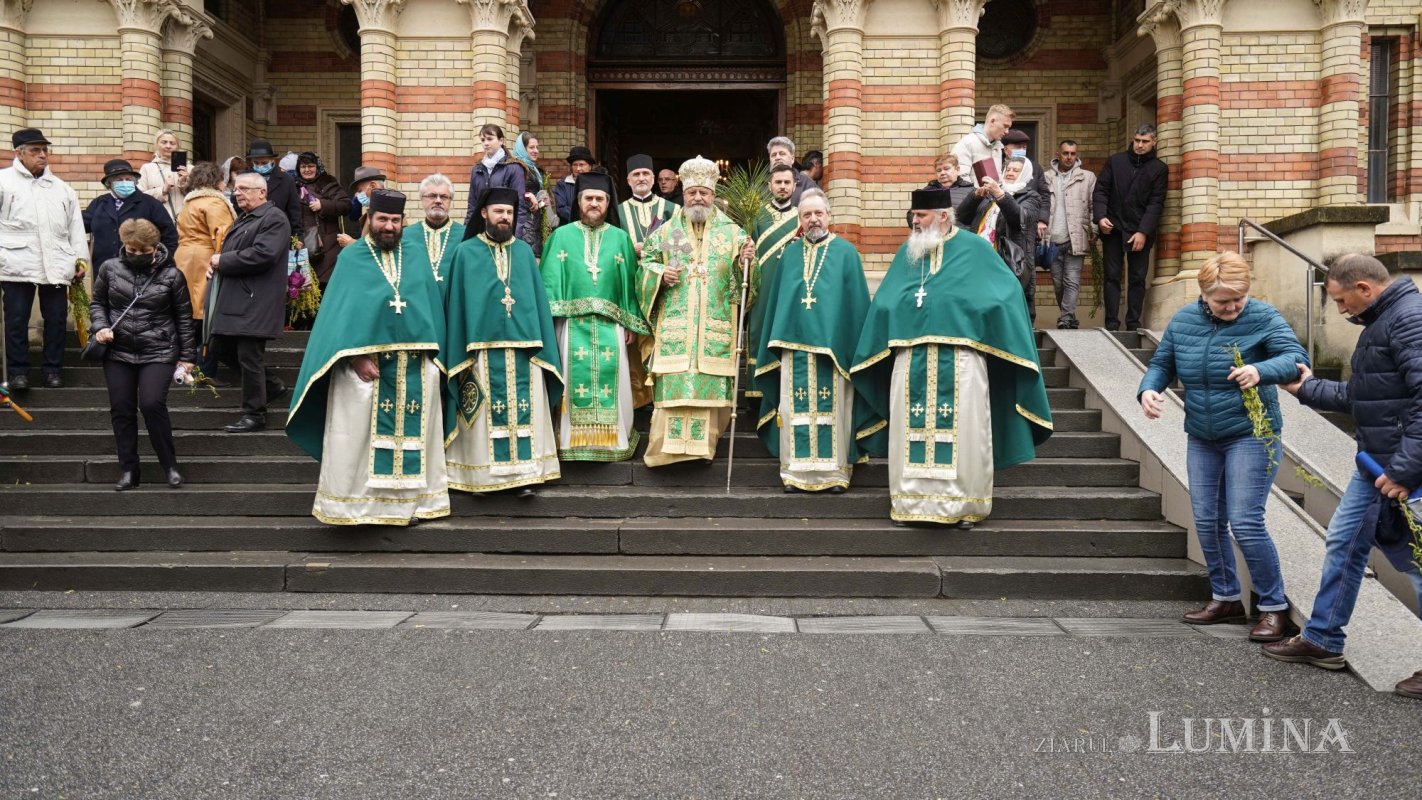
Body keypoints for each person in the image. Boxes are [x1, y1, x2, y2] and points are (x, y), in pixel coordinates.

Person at [1266, 253, 1422, 700]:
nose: (1340, 310)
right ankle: (1323, 639)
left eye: (1340, 300)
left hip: (1400, 468)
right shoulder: (1385, 321)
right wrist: (1304, 388)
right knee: (1344, 542)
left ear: (1364, 289)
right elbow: (1365, 397)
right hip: (1377, 465)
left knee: (1418, 566)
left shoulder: (1407, 320)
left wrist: (1406, 469)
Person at [852, 189, 1052, 528]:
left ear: (943, 216)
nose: (914, 221)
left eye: (921, 215)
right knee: (909, 429)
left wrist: (974, 318)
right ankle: (911, 503)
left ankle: (962, 505)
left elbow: (1006, 295)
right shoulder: (908, 253)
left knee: (965, 431)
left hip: (962, 362)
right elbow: (887, 302)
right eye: (913, 215)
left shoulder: (975, 249)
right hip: (911, 358)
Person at [1138, 252, 1308, 641]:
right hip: (1202, 435)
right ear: (1204, 296)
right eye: (1222, 301)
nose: (1232, 307)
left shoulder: (1263, 317)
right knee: (1207, 520)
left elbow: (1296, 359)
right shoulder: (1183, 320)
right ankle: (1226, 596)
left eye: (1238, 299)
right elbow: (1162, 362)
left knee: (1246, 522)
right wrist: (1148, 389)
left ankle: (1273, 607)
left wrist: (1259, 369)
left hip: (1252, 433)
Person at [286, 190, 451, 526]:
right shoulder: (353, 257)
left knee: (415, 438)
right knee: (360, 440)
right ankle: (359, 506)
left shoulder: (417, 256)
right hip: (365, 368)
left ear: (403, 222)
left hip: (414, 367)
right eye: (382, 219)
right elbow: (339, 319)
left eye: (395, 220)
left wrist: (432, 354)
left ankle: (411, 505)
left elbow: (430, 310)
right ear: (369, 220)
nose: (389, 226)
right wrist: (354, 358)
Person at [637, 155, 755, 467]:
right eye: (692, 193)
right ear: (683, 195)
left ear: (713, 194)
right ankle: (667, 453)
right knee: (675, 391)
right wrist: (660, 275)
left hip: (714, 328)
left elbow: (743, 287)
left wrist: (744, 262)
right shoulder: (665, 233)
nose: (698, 197)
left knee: (706, 393)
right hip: (676, 327)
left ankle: (702, 451)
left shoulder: (733, 233)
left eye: (704, 192)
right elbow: (645, 265)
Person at [444, 186, 563, 496]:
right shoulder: (465, 252)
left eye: (509, 213)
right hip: (479, 352)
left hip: (524, 351)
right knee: (482, 415)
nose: (504, 218)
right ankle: (480, 478)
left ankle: (525, 475)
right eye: (498, 212)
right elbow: (456, 307)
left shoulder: (524, 252)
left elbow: (536, 303)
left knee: (526, 411)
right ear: (484, 213)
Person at [753, 189, 870, 493]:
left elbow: (855, 306)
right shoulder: (788, 255)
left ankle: (835, 474)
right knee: (794, 409)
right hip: (794, 348)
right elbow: (778, 302)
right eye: (807, 214)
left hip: (834, 351)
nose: (813, 219)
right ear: (800, 220)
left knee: (835, 409)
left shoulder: (846, 253)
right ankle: (795, 473)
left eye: (819, 213)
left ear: (829, 216)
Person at [540, 171, 649, 461]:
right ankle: (569, 442)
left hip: (611, 326)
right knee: (569, 383)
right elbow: (549, 281)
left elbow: (630, 283)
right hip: (571, 324)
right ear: (579, 202)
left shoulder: (620, 238)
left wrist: (631, 323)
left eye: (599, 199)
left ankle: (614, 441)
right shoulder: (561, 236)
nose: (594, 204)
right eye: (589, 198)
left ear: (608, 202)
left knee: (615, 382)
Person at [88, 218, 195, 491]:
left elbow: (184, 318)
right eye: (130, 249)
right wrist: (100, 327)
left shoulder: (172, 275)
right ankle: (128, 470)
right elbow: (98, 302)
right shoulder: (109, 268)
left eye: (142, 251)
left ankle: (169, 466)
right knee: (121, 409)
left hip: (159, 349)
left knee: (151, 404)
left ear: (154, 247)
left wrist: (188, 357)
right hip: (118, 350)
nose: (136, 255)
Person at [0, 128, 88, 390]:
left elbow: (76, 227)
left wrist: (80, 260)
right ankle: (18, 372)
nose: (42, 155)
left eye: (45, 150)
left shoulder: (62, 188)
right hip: (15, 263)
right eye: (35, 150)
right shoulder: (3, 181)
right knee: (16, 320)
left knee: (57, 319)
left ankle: (53, 370)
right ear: (19, 153)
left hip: (57, 263)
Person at [206, 171, 291, 433]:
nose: (237, 192)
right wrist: (217, 266)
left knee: (248, 355)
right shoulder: (245, 219)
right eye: (236, 188)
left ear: (262, 192)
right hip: (237, 298)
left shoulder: (273, 218)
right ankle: (272, 386)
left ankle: (255, 414)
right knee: (222, 348)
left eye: (244, 188)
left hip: (256, 299)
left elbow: (263, 254)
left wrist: (223, 260)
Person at [1092, 123, 1168, 331]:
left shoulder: (1159, 169)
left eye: (1145, 142)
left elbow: (1156, 203)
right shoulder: (1115, 162)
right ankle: (1111, 324)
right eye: (1137, 141)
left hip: (1140, 231)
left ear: (1154, 142)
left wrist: (1143, 232)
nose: (1140, 145)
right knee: (1112, 276)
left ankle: (1133, 324)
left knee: (1137, 278)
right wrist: (1100, 218)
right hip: (1113, 229)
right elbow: (1101, 191)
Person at [173, 161, 234, 377]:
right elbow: (223, 236)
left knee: (190, 312)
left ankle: (186, 363)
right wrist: (225, 259)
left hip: (184, 257)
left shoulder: (190, 203)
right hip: (205, 258)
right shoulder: (214, 203)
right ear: (217, 181)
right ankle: (204, 369)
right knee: (206, 315)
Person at [744, 163, 800, 398]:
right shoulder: (756, 216)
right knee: (759, 331)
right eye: (778, 182)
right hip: (763, 287)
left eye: (787, 182)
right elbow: (747, 258)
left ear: (795, 185)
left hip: (792, 287)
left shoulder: (802, 216)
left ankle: (786, 389)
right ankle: (758, 391)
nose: (783, 186)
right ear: (770, 185)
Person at [957, 158, 1037, 310]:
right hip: (980, 257)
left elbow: (1019, 218)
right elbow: (961, 216)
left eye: (1016, 170)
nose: (1010, 173)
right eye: (1008, 169)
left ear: (1025, 173)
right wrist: (975, 196)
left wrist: (1000, 194)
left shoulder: (1031, 197)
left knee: (1007, 304)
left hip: (1007, 260)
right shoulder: (990, 194)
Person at [82, 159, 179, 281]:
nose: (124, 183)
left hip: (142, 273)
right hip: (105, 273)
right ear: (109, 183)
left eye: (128, 179)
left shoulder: (150, 203)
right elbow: (78, 225)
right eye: (119, 180)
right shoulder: (99, 203)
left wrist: (159, 261)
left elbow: (170, 236)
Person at [1041, 139, 1096, 329]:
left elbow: (1092, 207)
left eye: (1073, 154)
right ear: (1058, 154)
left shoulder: (1087, 177)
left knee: (1071, 281)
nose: (1069, 157)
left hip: (1076, 238)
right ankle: (1069, 317)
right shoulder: (1046, 177)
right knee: (1058, 284)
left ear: (1077, 155)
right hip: (1052, 240)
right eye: (1066, 153)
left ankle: (1065, 318)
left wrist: (1093, 229)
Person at [294, 151, 351, 287]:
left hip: (327, 246)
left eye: (311, 166)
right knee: (302, 290)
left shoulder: (329, 183)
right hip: (301, 245)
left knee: (325, 286)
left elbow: (346, 205)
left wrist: (323, 205)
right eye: (303, 167)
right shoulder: (293, 186)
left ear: (317, 167)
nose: (307, 170)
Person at [461, 124, 527, 238]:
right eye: (483, 140)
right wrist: (466, 234)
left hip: (504, 229)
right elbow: (472, 206)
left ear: (501, 141)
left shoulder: (514, 168)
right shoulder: (477, 169)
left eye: (490, 139)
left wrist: (516, 236)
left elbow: (520, 206)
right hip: (481, 231)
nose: (486, 143)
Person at [403, 173, 464, 287]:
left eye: (444, 196)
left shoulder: (465, 235)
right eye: (432, 196)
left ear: (450, 200)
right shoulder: (406, 235)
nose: (438, 201)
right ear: (422, 199)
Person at [618, 154, 678, 254]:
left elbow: (679, 243)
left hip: (663, 268)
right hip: (630, 268)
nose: (641, 178)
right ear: (628, 181)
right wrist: (630, 249)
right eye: (636, 174)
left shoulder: (672, 209)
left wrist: (650, 248)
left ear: (653, 179)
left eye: (645, 173)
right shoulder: (618, 211)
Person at [244, 139, 303, 239]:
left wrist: (297, 237)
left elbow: (294, 211)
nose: (260, 166)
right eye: (256, 163)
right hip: (250, 232)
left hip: (278, 232)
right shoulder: (243, 178)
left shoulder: (286, 180)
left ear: (272, 160)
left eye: (264, 162)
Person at [952, 103, 1013, 186]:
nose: (1007, 131)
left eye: (1008, 127)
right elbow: (959, 179)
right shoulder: (967, 143)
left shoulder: (998, 148)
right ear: (992, 121)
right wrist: (977, 197)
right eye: (1005, 126)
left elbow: (998, 182)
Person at [511, 130, 549, 257]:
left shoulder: (532, 169)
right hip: (523, 225)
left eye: (537, 147)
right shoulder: (517, 168)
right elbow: (512, 192)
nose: (536, 151)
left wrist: (543, 201)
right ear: (522, 148)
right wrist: (528, 195)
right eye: (531, 147)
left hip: (533, 223)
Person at [137, 129, 189, 219]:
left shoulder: (189, 168)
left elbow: (197, 196)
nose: (168, 146)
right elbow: (139, 197)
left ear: (178, 146)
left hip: (185, 223)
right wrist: (162, 190)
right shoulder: (147, 168)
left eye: (172, 143)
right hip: (158, 221)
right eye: (164, 142)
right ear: (157, 145)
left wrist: (184, 183)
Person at [338, 166, 386, 248]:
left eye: (360, 190)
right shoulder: (377, 208)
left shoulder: (386, 210)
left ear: (373, 186)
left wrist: (351, 243)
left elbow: (383, 248)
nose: (357, 195)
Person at [766, 136, 818, 205]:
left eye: (782, 154)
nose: (777, 158)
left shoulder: (808, 185)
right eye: (773, 155)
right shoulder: (761, 187)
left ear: (792, 159)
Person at [554, 146, 595, 226]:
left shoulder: (596, 184)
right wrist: (584, 217)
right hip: (568, 227)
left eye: (582, 165)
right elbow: (561, 209)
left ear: (590, 166)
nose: (578, 168)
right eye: (575, 165)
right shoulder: (563, 185)